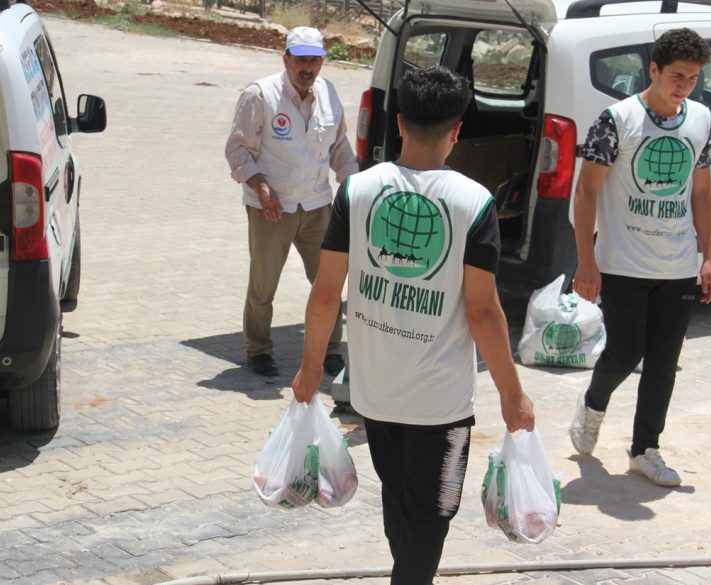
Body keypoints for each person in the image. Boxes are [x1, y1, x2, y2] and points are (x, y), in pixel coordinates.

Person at [292, 65, 535, 584]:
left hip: (375, 395)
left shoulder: (356, 192)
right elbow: (483, 311)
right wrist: (513, 394)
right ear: (457, 130)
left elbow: (326, 293)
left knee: (401, 503)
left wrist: (310, 369)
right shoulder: (474, 204)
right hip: (439, 406)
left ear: (400, 123)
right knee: (431, 516)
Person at [568, 27, 711, 487]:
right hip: (623, 263)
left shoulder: (700, 120)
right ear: (652, 70)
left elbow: (703, 190)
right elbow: (586, 189)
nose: (684, 86)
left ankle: (645, 449)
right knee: (625, 351)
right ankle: (594, 402)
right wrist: (586, 261)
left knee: (663, 361)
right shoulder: (616, 120)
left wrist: (709, 256)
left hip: (675, 265)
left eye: (692, 78)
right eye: (676, 76)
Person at [225, 26, 357, 377]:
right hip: (272, 209)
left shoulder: (328, 92)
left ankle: (330, 350)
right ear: (286, 59)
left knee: (328, 283)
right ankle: (259, 350)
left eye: (314, 60)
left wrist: (354, 183)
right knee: (263, 284)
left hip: (317, 206)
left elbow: (339, 147)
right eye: (301, 59)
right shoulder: (260, 95)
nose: (308, 67)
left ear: (322, 61)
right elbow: (238, 149)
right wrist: (261, 187)